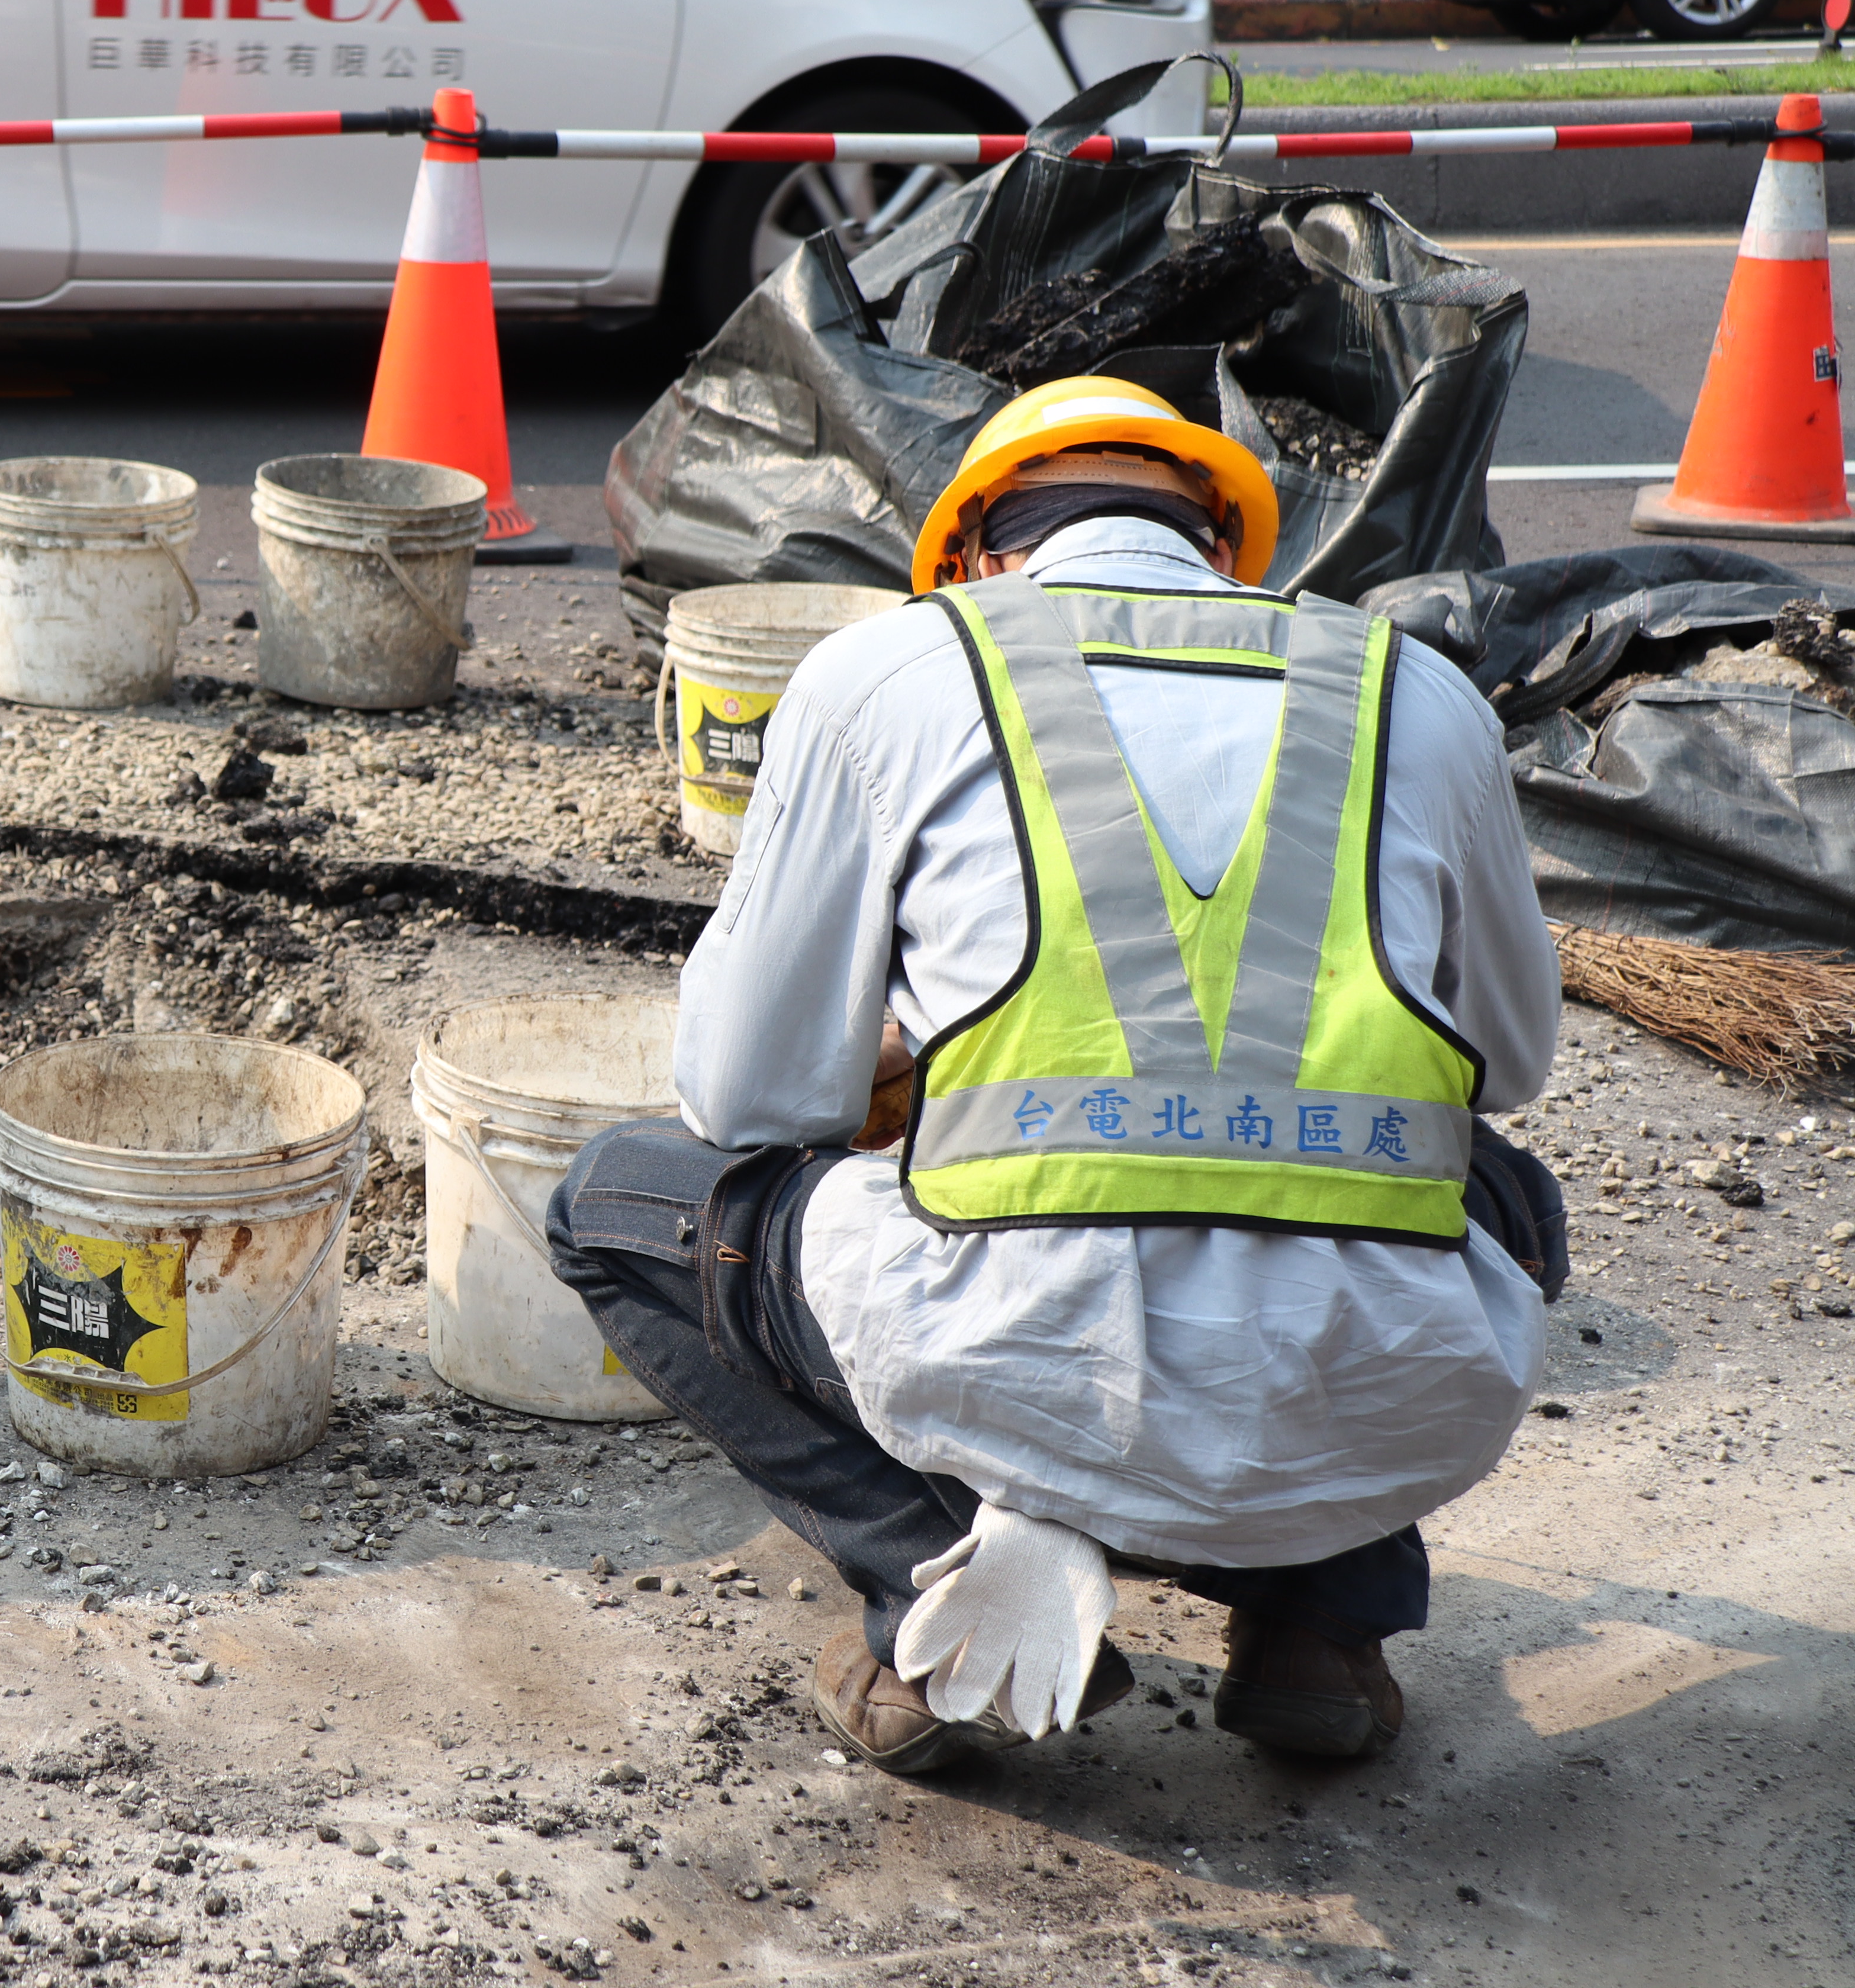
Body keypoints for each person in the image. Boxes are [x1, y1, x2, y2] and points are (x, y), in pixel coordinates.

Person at [551, 377, 1567, 1774]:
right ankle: (1328, 1620)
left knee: (615, 1201)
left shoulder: (895, 670)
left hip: (1007, 1361)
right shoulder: (1415, 689)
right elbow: (1506, 1063)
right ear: (1220, 544)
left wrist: (896, 1078)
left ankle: (934, 1583)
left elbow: (740, 1096)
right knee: (1510, 1198)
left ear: (973, 552)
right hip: (1379, 1393)